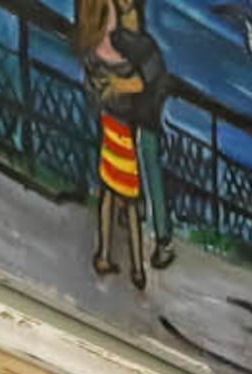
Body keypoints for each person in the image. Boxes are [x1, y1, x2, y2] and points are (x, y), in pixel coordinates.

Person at [78, 0, 176, 291]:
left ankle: (154, 243)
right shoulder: (126, 39)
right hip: (126, 117)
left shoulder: (136, 43)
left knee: (136, 177)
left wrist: (113, 85)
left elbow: (144, 78)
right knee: (127, 186)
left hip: (138, 116)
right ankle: (136, 258)